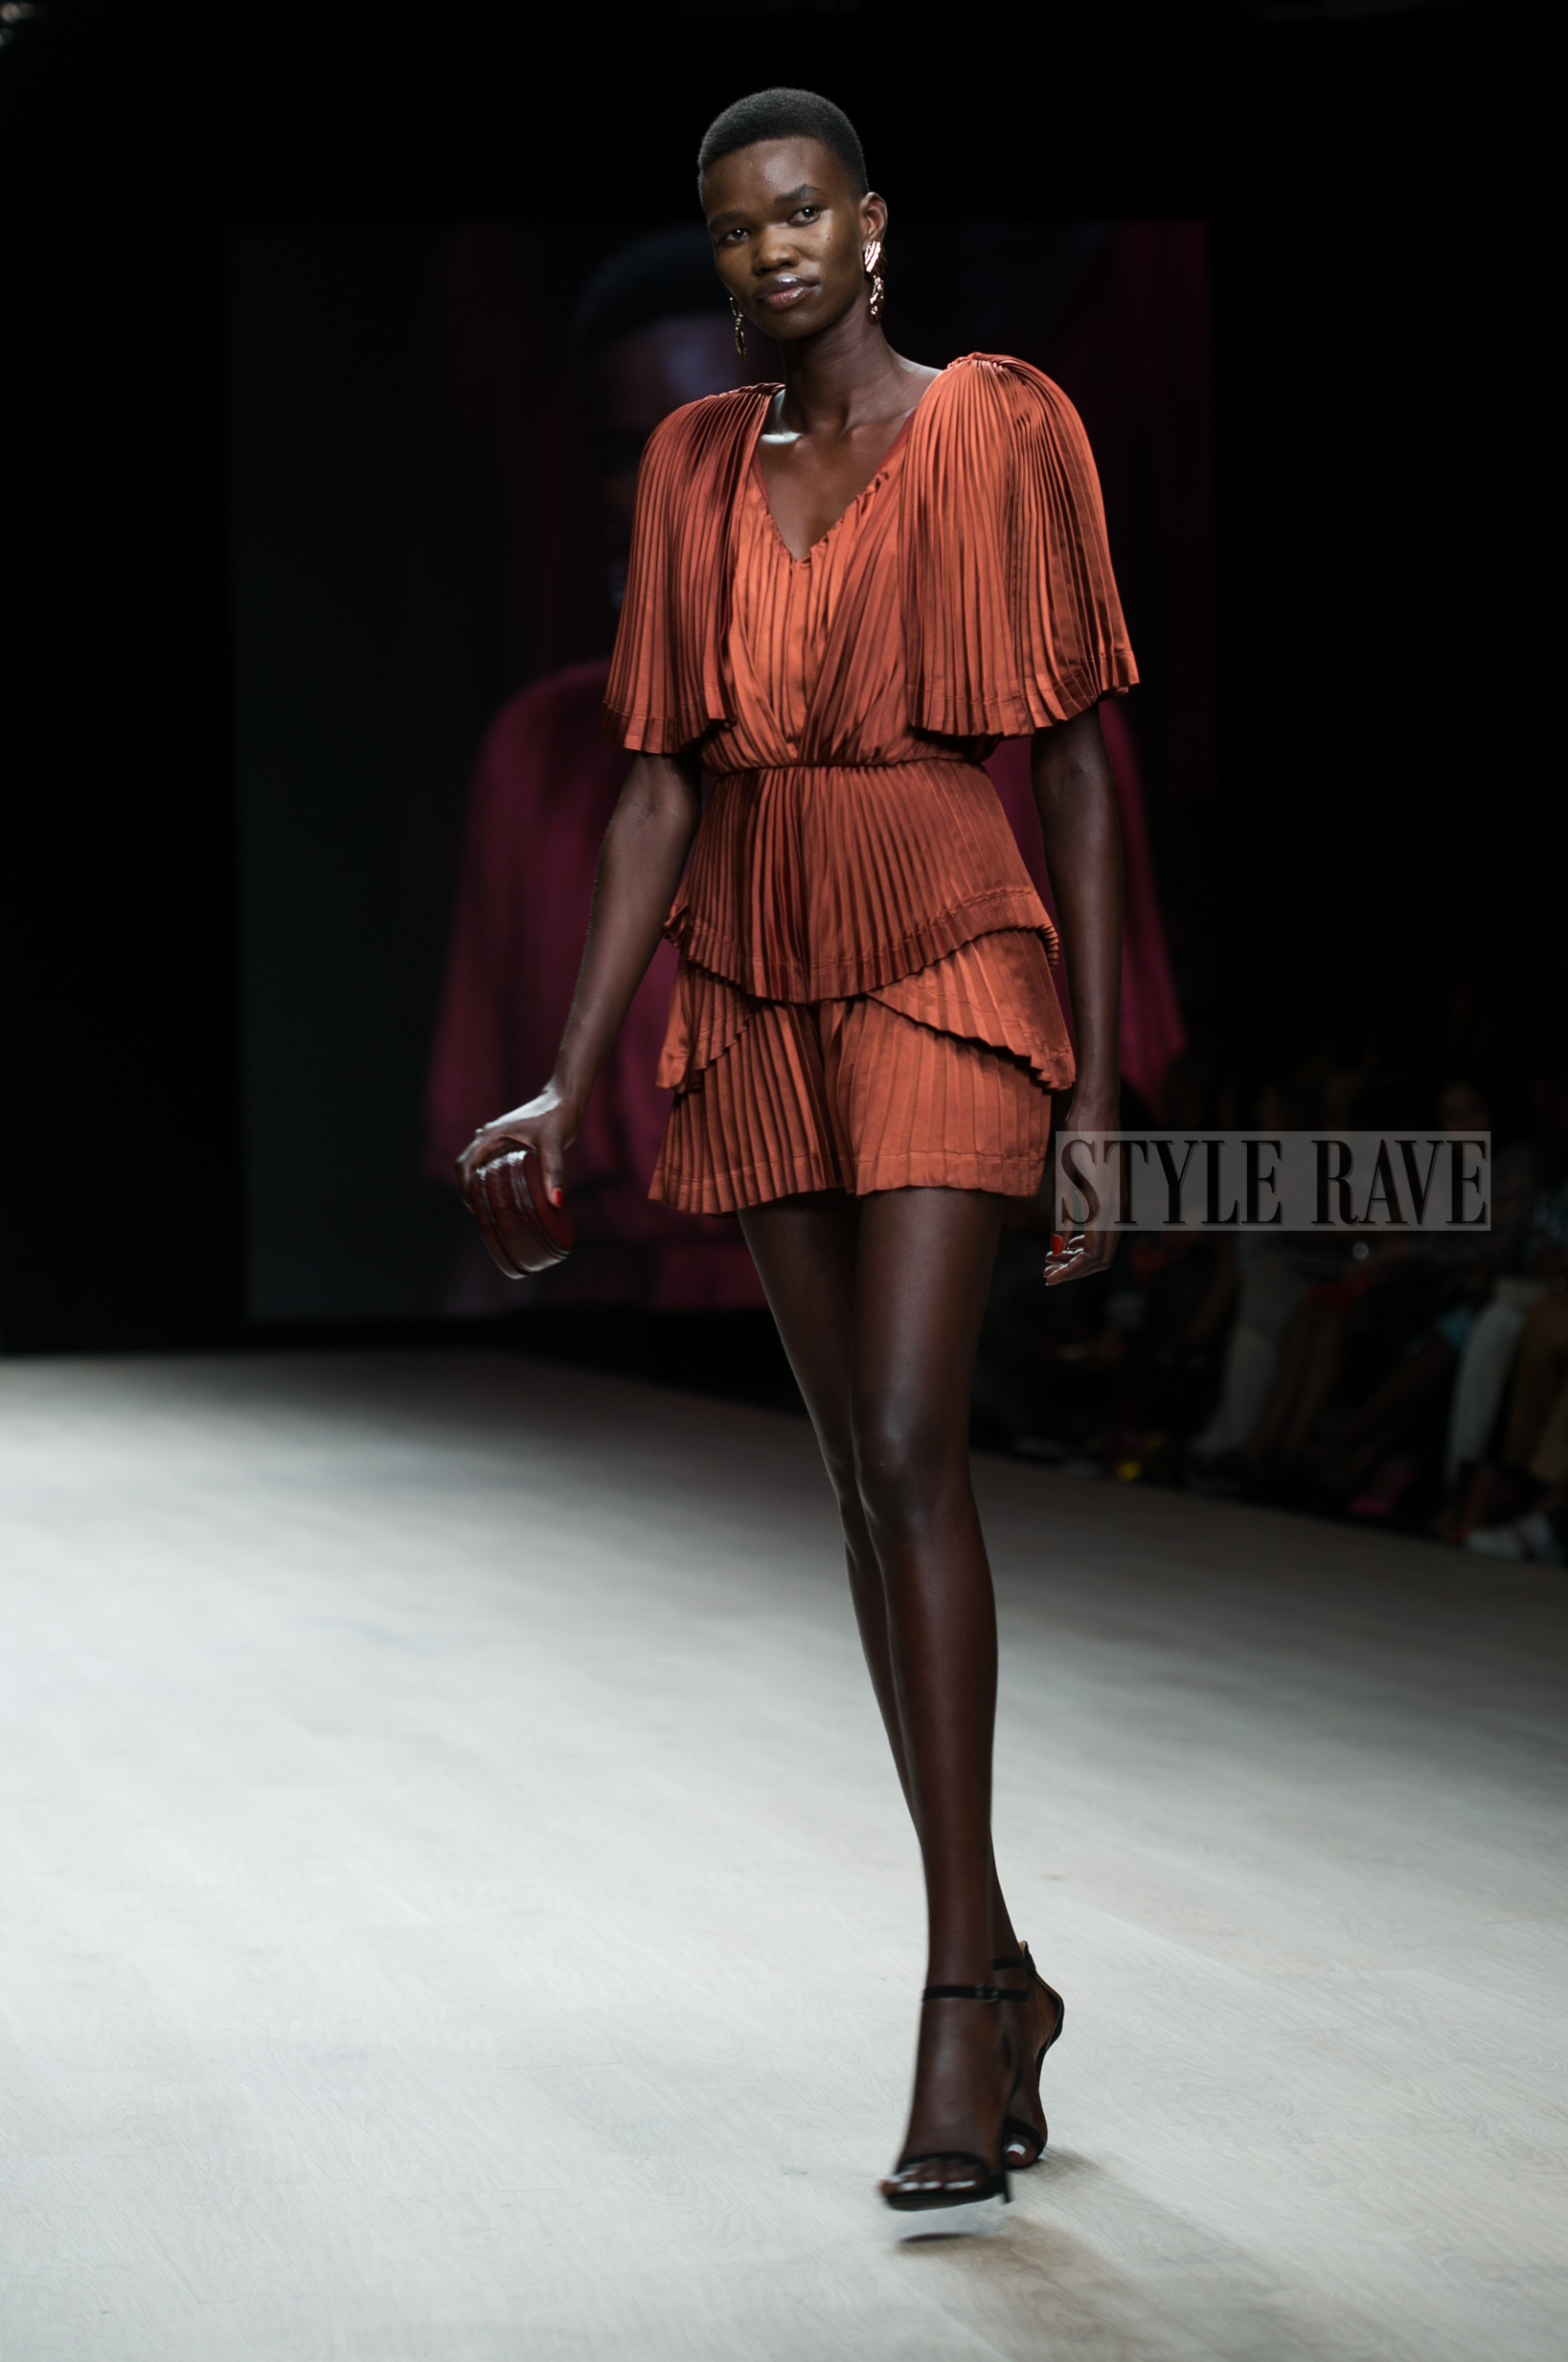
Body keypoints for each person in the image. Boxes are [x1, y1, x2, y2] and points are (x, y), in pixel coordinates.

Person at [458, 89, 1134, 2211]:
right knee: (855, 1474)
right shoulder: (687, 466)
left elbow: (1076, 764)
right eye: (734, 227)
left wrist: (1097, 1096)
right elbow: (657, 790)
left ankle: (947, 2007)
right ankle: (1005, 1968)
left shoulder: (1000, 426)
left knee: (915, 1439)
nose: (768, 253)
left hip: (946, 951)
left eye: (799, 214)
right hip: (750, 983)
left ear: (871, 225)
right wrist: (568, 1075)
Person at [425, 234, 771, 1310]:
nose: (664, 493)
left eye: (712, 438)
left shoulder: (993, 733)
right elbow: (489, 1195)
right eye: (627, 453)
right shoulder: (536, 753)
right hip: (604, 1346)